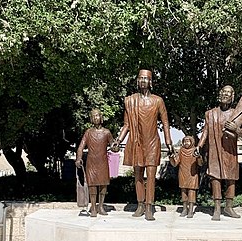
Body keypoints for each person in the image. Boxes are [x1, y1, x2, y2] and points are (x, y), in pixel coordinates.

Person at [113, 69, 173, 221]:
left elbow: (165, 122)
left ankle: (149, 206)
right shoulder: (130, 101)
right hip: (136, 142)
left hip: (153, 142)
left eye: (145, 78)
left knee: (151, 176)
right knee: (138, 175)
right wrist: (118, 140)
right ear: (137, 81)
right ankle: (140, 204)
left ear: (151, 82)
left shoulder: (157, 101)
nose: (142, 81)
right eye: (140, 78)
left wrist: (169, 142)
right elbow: (126, 125)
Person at [196, 85, 242, 221]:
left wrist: (236, 129)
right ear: (219, 95)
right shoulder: (210, 113)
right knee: (215, 177)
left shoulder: (238, 113)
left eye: (229, 93)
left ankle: (229, 207)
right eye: (224, 92)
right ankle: (217, 208)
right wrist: (199, 146)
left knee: (231, 178)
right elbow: (205, 131)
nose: (226, 95)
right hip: (215, 149)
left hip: (230, 150)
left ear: (233, 97)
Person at [75, 109, 114, 217]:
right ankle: (93, 207)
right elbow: (81, 147)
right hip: (91, 163)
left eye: (97, 115)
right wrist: (78, 158)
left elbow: (113, 145)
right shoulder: (88, 132)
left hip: (103, 162)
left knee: (103, 186)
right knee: (92, 186)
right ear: (91, 119)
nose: (96, 118)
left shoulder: (107, 132)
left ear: (101, 117)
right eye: (93, 116)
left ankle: (100, 206)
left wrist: (115, 147)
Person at [169, 135, 203, 218]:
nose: (186, 143)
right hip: (183, 174)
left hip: (192, 174)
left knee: (191, 192)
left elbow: (200, 164)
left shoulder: (195, 151)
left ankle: (191, 210)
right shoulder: (181, 151)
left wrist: (198, 157)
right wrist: (171, 158)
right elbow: (175, 163)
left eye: (188, 141)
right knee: (183, 192)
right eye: (184, 141)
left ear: (192, 142)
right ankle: (184, 209)